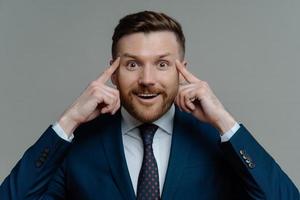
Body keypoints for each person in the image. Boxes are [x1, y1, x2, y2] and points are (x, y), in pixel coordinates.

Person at [0, 10, 299, 200]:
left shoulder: (217, 142)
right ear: (113, 72)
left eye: (162, 64)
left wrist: (225, 121)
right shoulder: (78, 145)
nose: (147, 79)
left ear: (182, 70)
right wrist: (68, 121)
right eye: (132, 65)